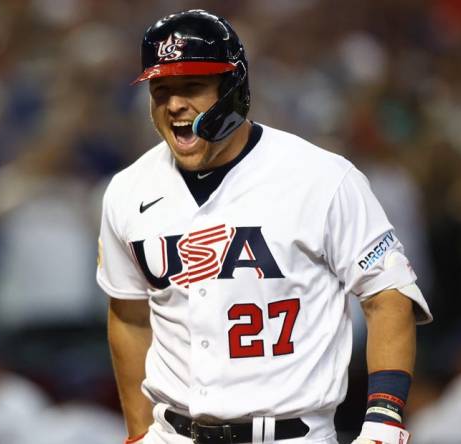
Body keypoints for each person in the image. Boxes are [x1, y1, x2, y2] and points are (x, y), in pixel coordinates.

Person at [96, 9, 432, 444]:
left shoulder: (322, 178)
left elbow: (387, 294)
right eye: (161, 90)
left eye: (193, 87)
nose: (174, 104)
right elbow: (128, 313)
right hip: (172, 433)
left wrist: (384, 418)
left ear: (234, 89)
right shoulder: (127, 190)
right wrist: (139, 432)